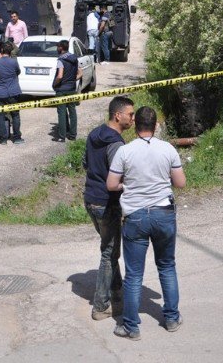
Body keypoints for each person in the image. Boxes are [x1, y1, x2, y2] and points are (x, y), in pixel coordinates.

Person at [107, 106, 186, 341]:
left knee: (134, 275)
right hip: (163, 213)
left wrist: (126, 186)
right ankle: (171, 318)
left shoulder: (125, 151)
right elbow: (180, 183)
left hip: (136, 217)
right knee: (167, 266)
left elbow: (111, 184)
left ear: (135, 125)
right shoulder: (168, 148)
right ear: (155, 126)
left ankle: (131, 327)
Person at [83, 96, 136, 321]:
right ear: (118, 115)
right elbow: (117, 179)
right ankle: (101, 306)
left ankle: (117, 294)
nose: (133, 118)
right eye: (130, 114)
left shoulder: (95, 134)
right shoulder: (116, 144)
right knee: (109, 253)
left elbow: (86, 163)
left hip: (90, 199)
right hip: (106, 204)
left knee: (110, 250)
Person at [0, 42, 23, 144]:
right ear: (10, 51)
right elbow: (18, 72)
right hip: (13, 92)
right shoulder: (14, 62)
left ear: (2, 51)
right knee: (15, 115)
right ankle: (17, 138)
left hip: (0, 93)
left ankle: (3, 139)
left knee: (1, 116)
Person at [52, 39, 81, 142]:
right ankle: (73, 135)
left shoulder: (61, 60)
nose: (57, 49)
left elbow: (59, 76)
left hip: (61, 90)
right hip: (72, 89)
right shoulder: (74, 58)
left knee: (62, 112)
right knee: (72, 111)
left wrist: (55, 84)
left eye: (57, 47)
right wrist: (72, 80)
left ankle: (61, 136)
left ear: (60, 48)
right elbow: (80, 73)